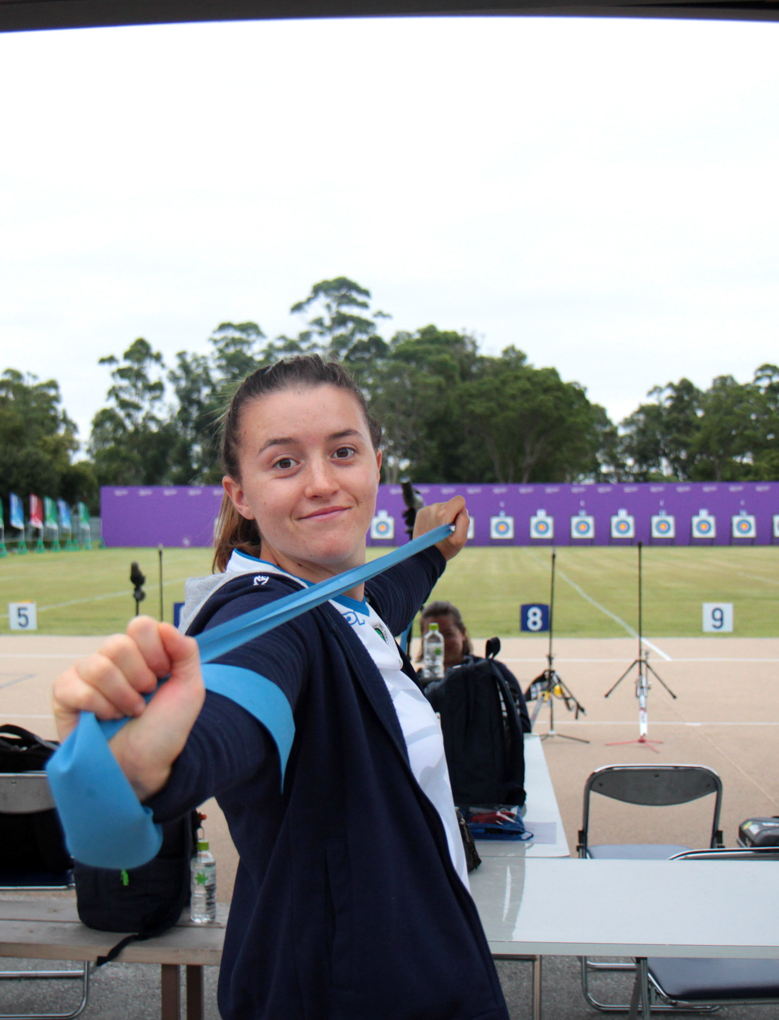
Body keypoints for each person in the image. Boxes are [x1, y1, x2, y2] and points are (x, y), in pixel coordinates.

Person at [52, 355, 508, 1020]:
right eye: (285, 462)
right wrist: (137, 766)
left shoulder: (346, 604)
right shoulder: (268, 621)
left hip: (422, 976)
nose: (323, 482)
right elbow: (235, 706)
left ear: (376, 463)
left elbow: (387, 592)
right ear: (241, 493)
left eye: (343, 452)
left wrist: (435, 544)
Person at [417, 601, 530, 732]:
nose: (440, 644)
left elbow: (523, 726)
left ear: (463, 633)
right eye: (433, 638)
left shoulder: (494, 673)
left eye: (448, 634)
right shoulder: (416, 683)